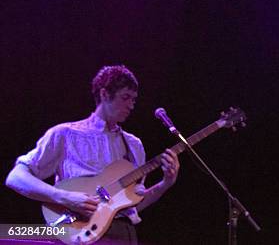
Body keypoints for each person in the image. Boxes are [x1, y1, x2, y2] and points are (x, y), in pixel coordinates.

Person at [5, 65, 180, 244]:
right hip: (77, 232)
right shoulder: (65, 134)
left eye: (134, 100)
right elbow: (16, 177)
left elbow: (132, 205)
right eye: (125, 97)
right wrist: (64, 197)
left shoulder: (134, 145)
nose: (131, 105)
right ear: (104, 94)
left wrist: (165, 183)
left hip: (123, 235)